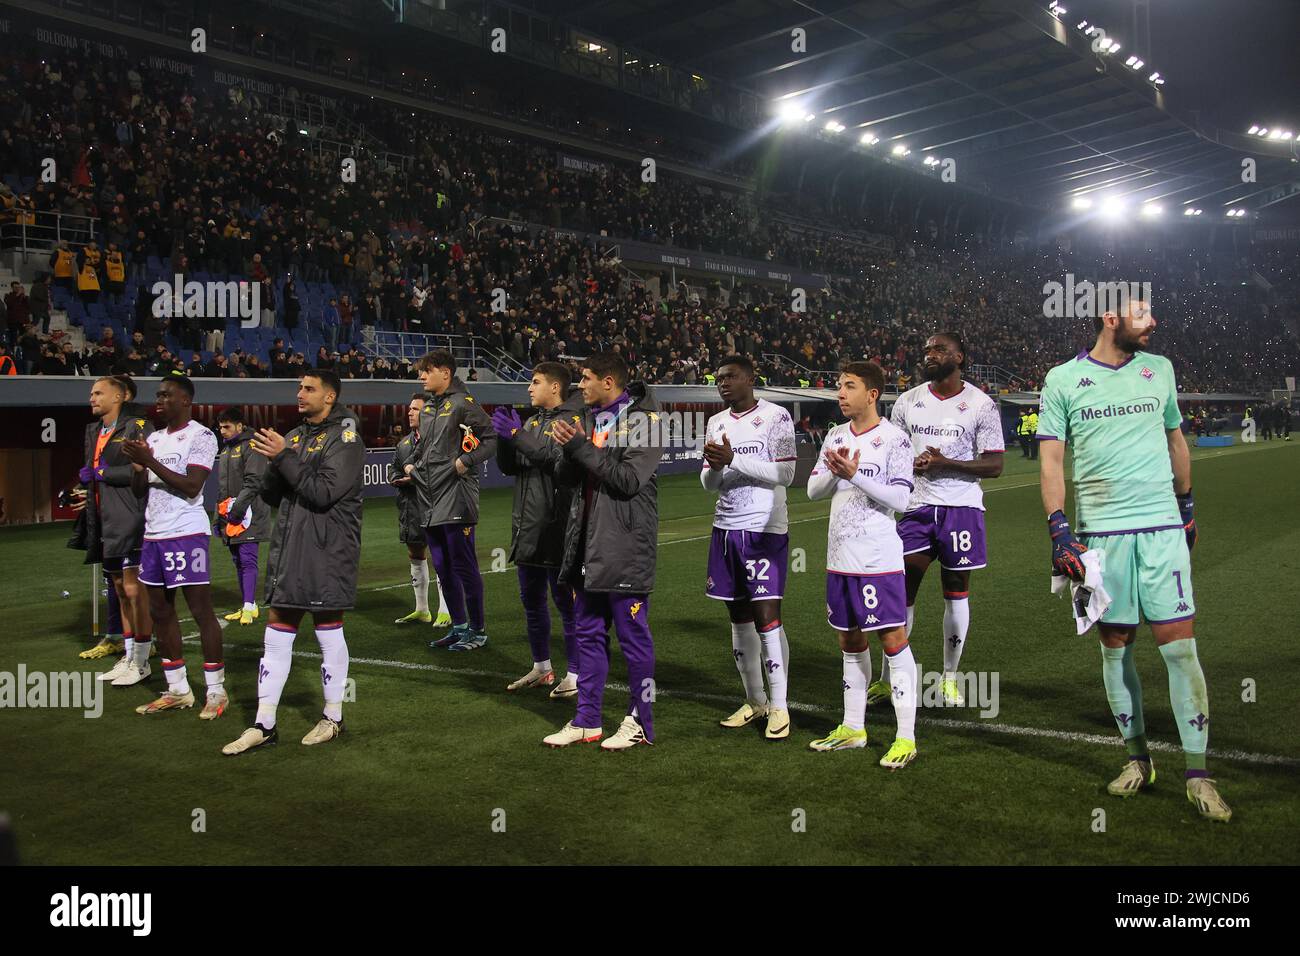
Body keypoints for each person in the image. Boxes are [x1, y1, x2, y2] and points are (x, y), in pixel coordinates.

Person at [1037, 300, 1230, 822]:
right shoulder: (1062, 379)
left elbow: (1176, 441)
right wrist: (1059, 530)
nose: (1153, 322)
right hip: (1100, 533)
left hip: (1162, 527)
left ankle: (1198, 774)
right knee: (1115, 647)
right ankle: (1137, 759)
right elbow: (1051, 461)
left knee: (1180, 648)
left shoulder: (1159, 370)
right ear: (1109, 317)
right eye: (1142, 314)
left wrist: (1186, 507)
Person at [223, 370, 365, 754]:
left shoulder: (346, 439)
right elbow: (273, 494)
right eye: (299, 387)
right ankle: (263, 724)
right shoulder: (296, 436)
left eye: (308, 388)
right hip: (292, 547)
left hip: (328, 549)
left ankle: (333, 716)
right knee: (276, 631)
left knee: (327, 628)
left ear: (330, 396)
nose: (299, 394)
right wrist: (269, 462)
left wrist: (284, 457)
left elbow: (322, 493)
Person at [542, 353, 664, 750]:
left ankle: (640, 720)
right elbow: (566, 477)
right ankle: (587, 720)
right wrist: (568, 450)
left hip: (624, 546)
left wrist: (580, 447)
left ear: (609, 382)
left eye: (587, 378)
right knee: (588, 633)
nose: (580, 386)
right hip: (587, 544)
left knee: (633, 639)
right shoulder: (591, 419)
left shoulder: (646, 422)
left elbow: (628, 480)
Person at [806, 361, 919, 769]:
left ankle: (906, 737)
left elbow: (903, 502)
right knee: (849, 641)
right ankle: (854, 728)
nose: (840, 393)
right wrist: (836, 472)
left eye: (848, 386)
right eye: (839, 386)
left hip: (878, 559)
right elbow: (813, 489)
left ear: (871, 394)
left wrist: (855, 475)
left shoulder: (895, 440)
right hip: (840, 559)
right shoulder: (835, 436)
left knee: (892, 640)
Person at [884, 332, 1004, 707]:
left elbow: (995, 464)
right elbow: (894, 454)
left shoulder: (981, 405)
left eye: (939, 349)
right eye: (926, 350)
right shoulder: (907, 401)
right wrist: (913, 464)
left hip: (961, 508)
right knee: (901, 591)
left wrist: (944, 462)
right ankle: (888, 678)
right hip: (917, 507)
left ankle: (949, 678)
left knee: (955, 592)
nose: (930, 355)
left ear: (960, 357)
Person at [699, 354, 798, 739]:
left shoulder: (776, 417)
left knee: (767, 618)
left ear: (750, 379)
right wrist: (718, 466)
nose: (723, 383)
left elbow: (787, 473)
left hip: (763, 530)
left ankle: (781, 707)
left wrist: (733, 458)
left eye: (731, 377)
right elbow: (708, 483)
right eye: (719, 378)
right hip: (724, 528)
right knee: (738, 618)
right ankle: (755, 701)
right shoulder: (716, 422)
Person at [121, 373, 227, 718]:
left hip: (186, 533)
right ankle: (178, 688)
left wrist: (149, 460)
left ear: (185, 401)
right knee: (160, 612)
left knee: (200, 611)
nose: (159, 400)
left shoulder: (201, 436)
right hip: (154, 536)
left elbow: (193, 486)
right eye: (158, 395)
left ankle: (215, 691)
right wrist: (139, 465)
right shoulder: (153, 438)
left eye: (167, 395)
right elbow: (140, 490)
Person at [491, 362, 583, 696]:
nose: (529, 388)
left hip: (556, 525)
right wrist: (504, 438)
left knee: (566, 603)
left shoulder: (571, 421)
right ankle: (541, 667)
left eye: (535, 382)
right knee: (530, 600)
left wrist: (517, 435)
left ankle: (576, 674)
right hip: (525, 525)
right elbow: (507, 467)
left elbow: (553, 460)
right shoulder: (531, 421)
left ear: (555, 387)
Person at [408, 351, 497, 650]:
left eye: (426, 371)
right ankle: (459, 627)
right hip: (430, 499)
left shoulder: (463, 403)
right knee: (443, 567)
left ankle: (478, 630)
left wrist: (464, 462)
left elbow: (491, 438)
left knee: (464, 566)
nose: (421, 376)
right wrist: (416, 468)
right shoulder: (429, 409)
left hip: (457, 497)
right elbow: (426, 449)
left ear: (445, 373)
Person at [80, 376, 154, 675]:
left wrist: (103, 473)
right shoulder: (94, 431)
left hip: (131, 517)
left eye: (99, 393)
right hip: (104, 520)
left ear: (119, 397)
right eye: (91, 393)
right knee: (119, 589)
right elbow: (94, 471)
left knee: (134, 590)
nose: (92, 398)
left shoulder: (137, 427)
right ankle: (128, 654)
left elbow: (145, 468)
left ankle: (142, 658)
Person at [389, 393, 452, 627]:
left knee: (441, 558)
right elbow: (394, 470)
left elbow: (440, 472)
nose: (410, 413)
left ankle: (445, 611)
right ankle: (422, 610)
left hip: (436, 506)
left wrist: (412, 477)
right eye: (409, 409)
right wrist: (400, 478)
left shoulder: (440, 438)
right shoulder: (404, 444)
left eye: (415, 409)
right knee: (415, 555)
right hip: (410, 508)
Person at [214, 407, 270, 625]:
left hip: (249, 514)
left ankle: (249, 606)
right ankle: (249, 604)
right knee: (238, 560)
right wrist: (219, 517)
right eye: (220, 427)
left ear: (240, 425)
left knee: (247, 559)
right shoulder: (227, 450)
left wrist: (237, 512)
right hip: (232, 516)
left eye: (227, 426)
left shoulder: (252, 445)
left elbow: (254, 481)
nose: (223, 431)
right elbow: (221, 488)